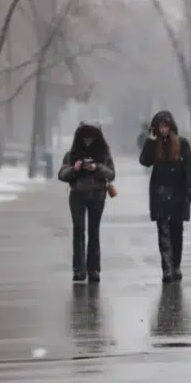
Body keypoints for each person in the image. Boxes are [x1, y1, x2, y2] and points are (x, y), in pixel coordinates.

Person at [138, 111, 191, 284]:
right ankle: (167, 268)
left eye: (165, 126)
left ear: (170, 126)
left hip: (178, 194)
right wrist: (150, 141)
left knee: (176, 232)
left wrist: (190, 190)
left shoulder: (181, 143)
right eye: (159, 126)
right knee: (163, 232)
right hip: (160, 194)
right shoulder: (154, 144)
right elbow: (144, 161)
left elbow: (189, 168)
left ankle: (176, 264)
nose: (163, 130)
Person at [57, 121, 116, 284]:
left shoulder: (104, 154)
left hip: (97, 195)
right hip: (77, 195)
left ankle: (94, 269)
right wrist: (74, 169)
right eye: (85, 137)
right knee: (78, 230)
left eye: (91, 137)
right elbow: (61, 174)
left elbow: (111, 174)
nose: (88, 141)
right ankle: (79, 270)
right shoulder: (72, 154)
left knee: (94, 231)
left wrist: (97, 168)